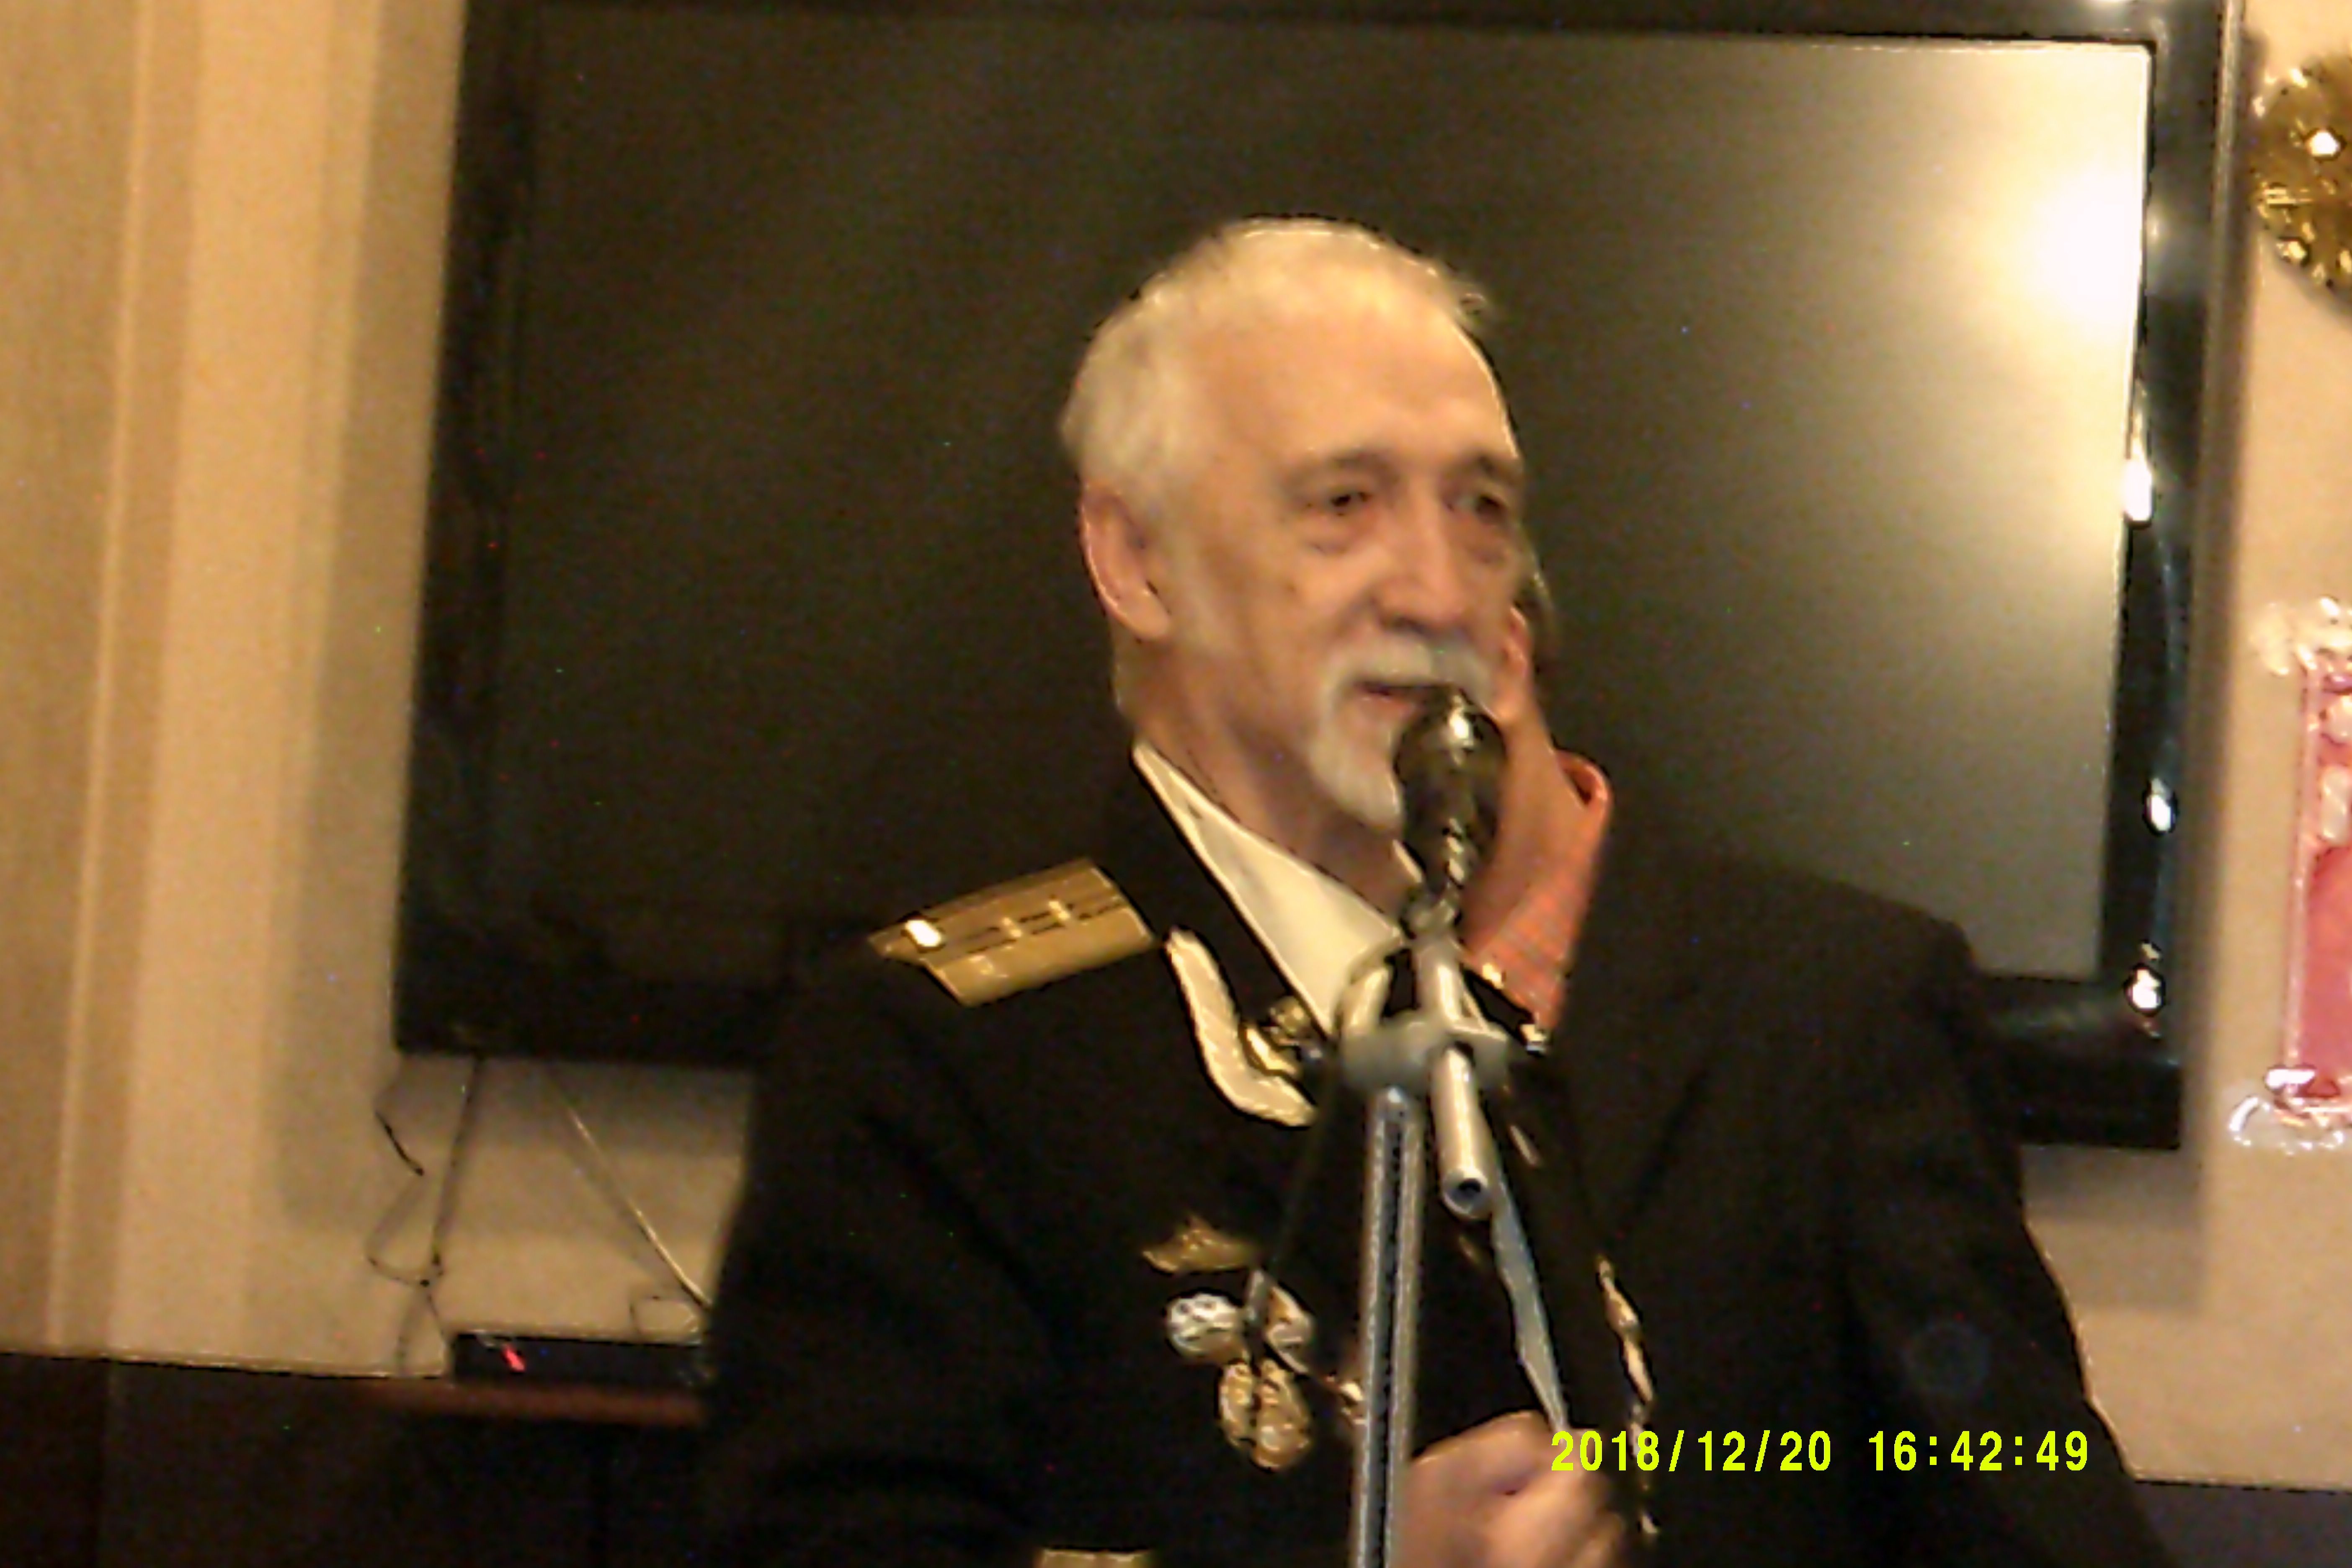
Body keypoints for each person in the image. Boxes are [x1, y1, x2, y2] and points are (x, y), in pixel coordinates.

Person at [701, 219, 2176, 1568]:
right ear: (1139, 561)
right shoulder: (942, 1054)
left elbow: (2021, 1499)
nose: (1441, 587)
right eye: (1344, 503)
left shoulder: (1699, 1017)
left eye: (1482, 510)